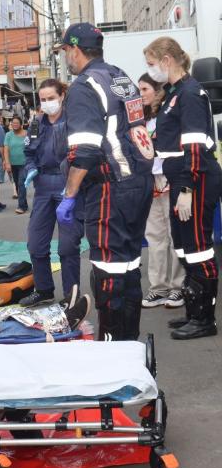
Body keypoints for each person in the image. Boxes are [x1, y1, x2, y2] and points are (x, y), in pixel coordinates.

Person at [55, 23, 153, 342]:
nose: (65, 58)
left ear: (75, 50)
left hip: (110, 185)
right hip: (139, 180)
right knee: (129, 267)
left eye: (65, 51)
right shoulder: (120, 77)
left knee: (108, 271)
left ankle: (112, 350)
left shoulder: (84, 86)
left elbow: (84, 150)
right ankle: (129, 344)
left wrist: (69, 195)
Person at [145, 37, 222, 339]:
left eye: (151, 64)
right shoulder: (174, 93)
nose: (150, 71)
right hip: (181, 178)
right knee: (185, 246)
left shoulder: (189, 92)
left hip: (196, 177)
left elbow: (192, 144)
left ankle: (204, 319)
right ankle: (193, 311)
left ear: (167, 60)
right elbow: (168, 140)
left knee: (199, 247)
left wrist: (187, 189)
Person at [19, 79, 84, 307]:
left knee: (67, 247)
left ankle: (70, 296)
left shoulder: (74, 120)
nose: (47, 103)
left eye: (51, 98)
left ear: (62, 96)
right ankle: (44, 289)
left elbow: (85, 152)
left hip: (69, 184)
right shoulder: (37, 123)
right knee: (35, 243)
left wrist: (74, 182)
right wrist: (30, 169)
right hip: (43, 185)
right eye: (43, 99)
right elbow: (28, 153)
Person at [138, 73, 184, 309]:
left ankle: (178, 287)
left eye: (145, 89)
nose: (141, 94)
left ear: (158, 90)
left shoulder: (168, 113)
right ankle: (158, 288)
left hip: (171, 177)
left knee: (175, 234)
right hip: (150, 180)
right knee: (155, 237)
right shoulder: (140, 119)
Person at [4, 115, 28, 213]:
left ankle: (21, 206)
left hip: (24, 163)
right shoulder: (8, 135)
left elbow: (30, 147)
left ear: (21, 124)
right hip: (13, 164)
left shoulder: (26, 134)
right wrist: (7, 162)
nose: (14, 125)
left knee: (21, 183)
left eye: (17, 123)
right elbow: (6, 149)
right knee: (18, 185)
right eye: (13, 123)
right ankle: (24, 204)